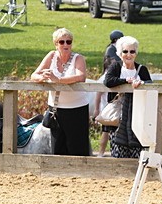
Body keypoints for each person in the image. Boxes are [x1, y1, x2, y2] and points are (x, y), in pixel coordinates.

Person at [30, 28, 91, 156]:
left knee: (77, 147)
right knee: (57, 146)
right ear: (56, 44)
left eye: (69, 42)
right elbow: (33, 75)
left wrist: (58, 80)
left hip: (77, 108)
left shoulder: (78, 58)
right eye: (62, 42)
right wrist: (42, 77)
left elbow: (81, 77)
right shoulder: (51, 56)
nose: (65, 45)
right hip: (56, 109)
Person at [103, 35, 153, 158]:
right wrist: (126, 81)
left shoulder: (142, 69)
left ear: (136, 53)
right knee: (117, 152)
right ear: (120, 53)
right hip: (118, 116)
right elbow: (108, 81)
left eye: (132, 51)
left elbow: (150, 84)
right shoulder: (115, 67)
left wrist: (141, 83)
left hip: (138, 115)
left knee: (138, 152)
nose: (129, 55)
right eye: (125, 51)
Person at [96, 29, 125, 157]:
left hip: (113, 106)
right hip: (108, 107)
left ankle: (109, 152)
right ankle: (101, 153)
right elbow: (98, 92)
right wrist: (97, 109)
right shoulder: (112, 50)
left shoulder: (116, 49)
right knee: (106, 131)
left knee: (109, 132)